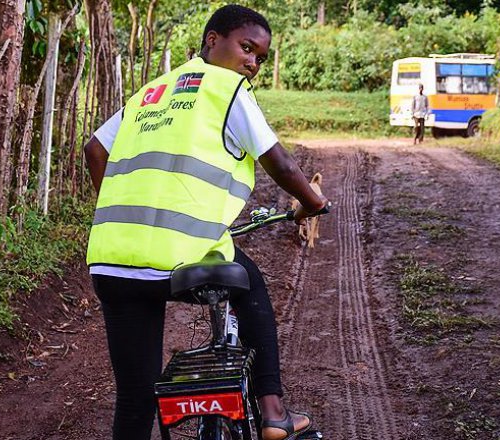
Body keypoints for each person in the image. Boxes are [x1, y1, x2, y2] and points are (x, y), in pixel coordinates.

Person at [83, 5, 329, 440]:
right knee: (250, 283)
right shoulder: (225, 87)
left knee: (135, 396)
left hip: (111, 260)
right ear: (212, 40)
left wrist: (124, 200)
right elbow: (282, 164)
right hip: (176, 259)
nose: (252, 62)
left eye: (260, 57)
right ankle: (273, 411)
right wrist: (314, 203)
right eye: (247, 48)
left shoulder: (152, 91)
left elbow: (94, 150)